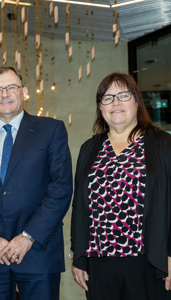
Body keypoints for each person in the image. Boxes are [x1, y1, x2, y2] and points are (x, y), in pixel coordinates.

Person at [0, 65, 73, 300]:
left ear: (24, 91)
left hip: (38, 253)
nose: (4, 94)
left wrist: (28, 237)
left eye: (11, 87)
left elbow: (60, 188)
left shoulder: (51, 130)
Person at [70, 72, 171, 300]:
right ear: (100, 108)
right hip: (98, 264)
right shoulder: (89, 148)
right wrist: (78, 256)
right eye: (107, 98)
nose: (115, 102)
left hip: (150, 262)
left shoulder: (162, 144)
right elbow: (80, 206)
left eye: (123, 96)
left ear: (136, 101)